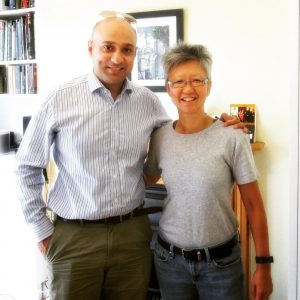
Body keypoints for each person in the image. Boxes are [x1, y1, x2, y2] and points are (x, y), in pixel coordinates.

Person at [15, 11, 244, 300]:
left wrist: (221, 124)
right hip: (75, 236)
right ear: (90, 48)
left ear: (135, 53)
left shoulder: (148, 102)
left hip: (132, 236)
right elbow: (26, 166)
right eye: (108, 47)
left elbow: (180, 132)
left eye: (126, 50)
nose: (117, 57)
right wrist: (41, 229)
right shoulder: (59, 99)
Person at [143, 43, 273, 300]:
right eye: (178, 82)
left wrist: (264, 265)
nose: (188, 89)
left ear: (209, 86)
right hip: (170, 262)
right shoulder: (160, 137)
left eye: (197, 80)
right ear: (168, 89)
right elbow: (141, 182)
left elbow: (254, 205)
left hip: (221, 265)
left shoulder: (232, 136)